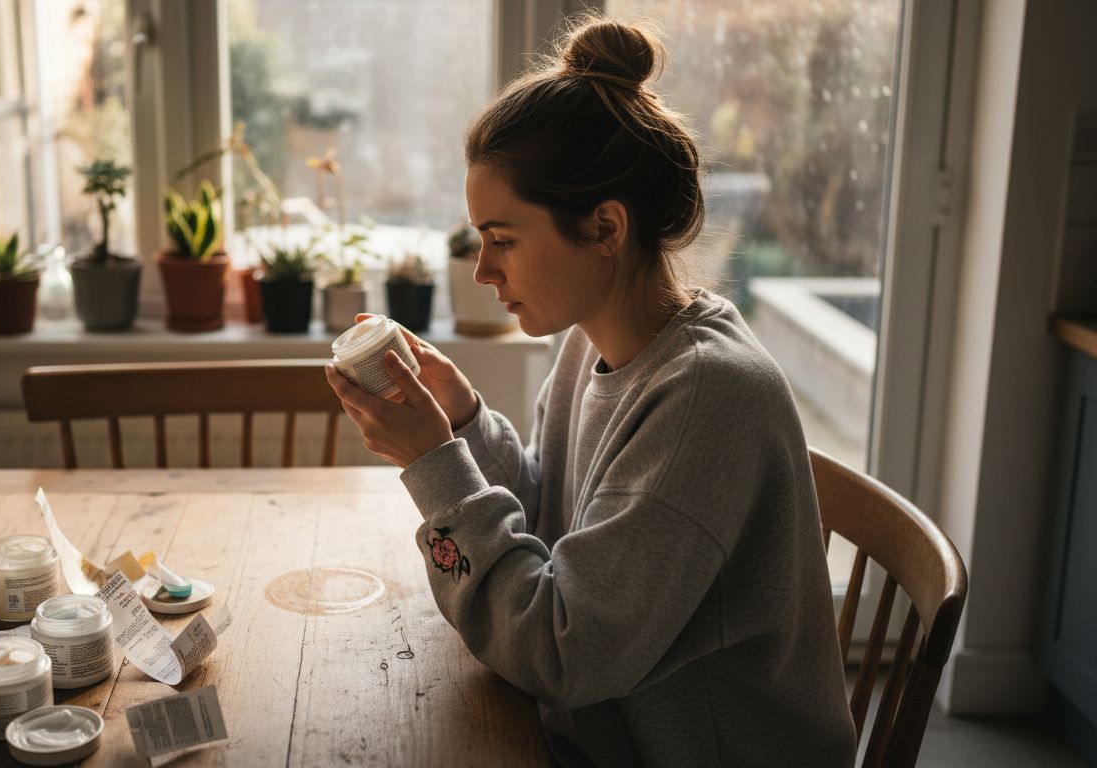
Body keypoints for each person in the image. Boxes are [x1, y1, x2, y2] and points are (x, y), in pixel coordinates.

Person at [324, 15, 857, 767]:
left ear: (605, 227)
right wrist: (464, 421)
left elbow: (559, 653)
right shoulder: (591, 341)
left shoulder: (708, 397)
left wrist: (434, 465)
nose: (482, 271)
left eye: (502, 239)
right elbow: (552, 522)